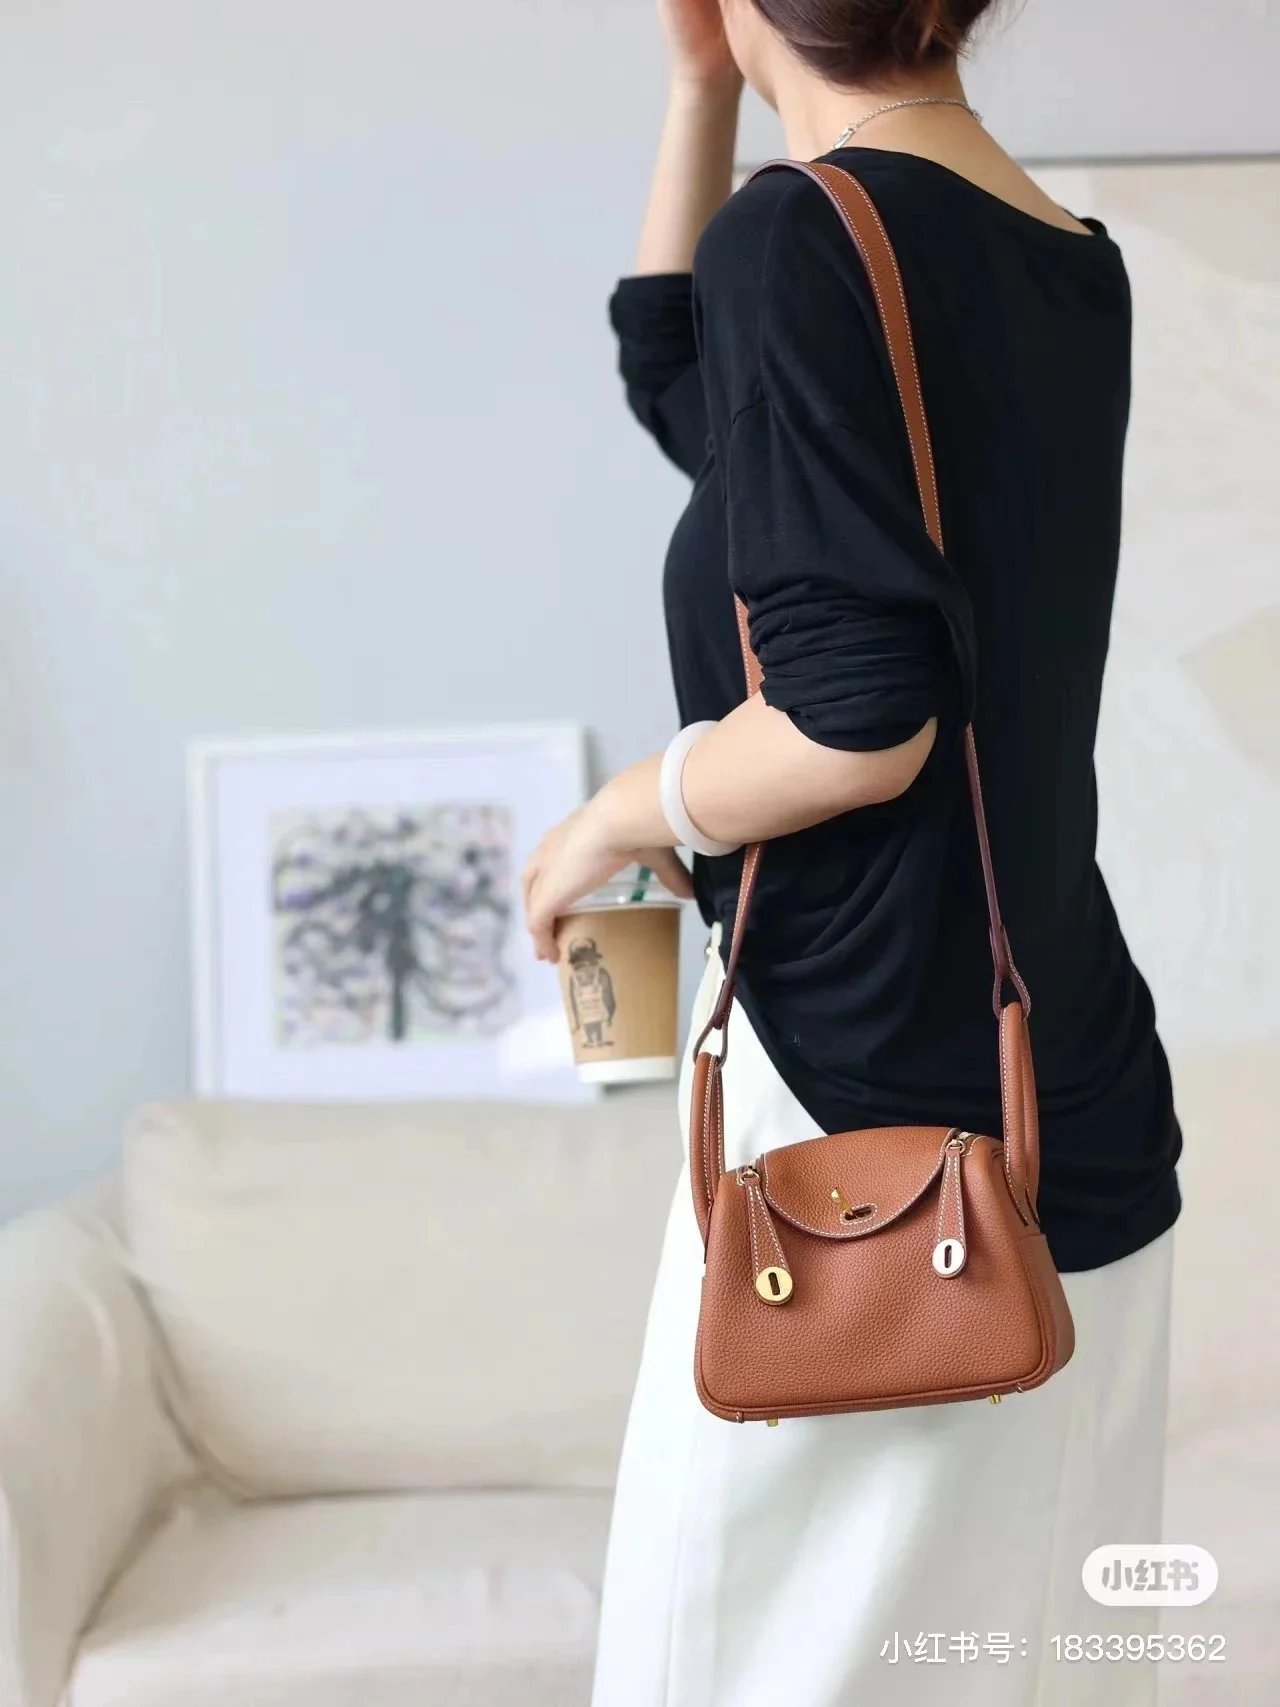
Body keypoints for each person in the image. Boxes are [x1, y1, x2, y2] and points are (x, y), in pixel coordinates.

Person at [522, 1, 1182, 1701]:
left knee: (729, 1664)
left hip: (860, 1123)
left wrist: (615, 813)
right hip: (1066, 1093)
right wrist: (701, 84)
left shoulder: (801, 239)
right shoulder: (1064, 259)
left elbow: (851, 720)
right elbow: (690, 398)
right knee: (1036, 1666)